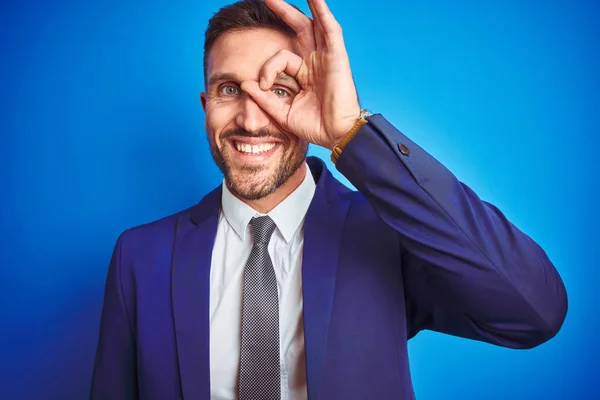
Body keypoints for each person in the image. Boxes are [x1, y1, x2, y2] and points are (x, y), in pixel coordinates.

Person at [90, 0, 568, 398]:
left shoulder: (385, 234)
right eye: (229, 89)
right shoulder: (140, 257)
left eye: (279, 89)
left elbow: (535, 311)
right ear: (205, 105)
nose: (252, 121)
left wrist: (350, 132)